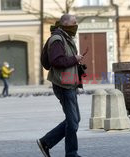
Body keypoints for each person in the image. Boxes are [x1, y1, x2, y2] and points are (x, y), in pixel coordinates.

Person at [37, 14, 83, 157]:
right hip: (63, 85)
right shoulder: (57, 39)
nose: (76, 25)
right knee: (73, 122)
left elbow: (64, 60)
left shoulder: (65, 38)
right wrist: (74, 59)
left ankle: (46, 142)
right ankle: (71, 154)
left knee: (75, 120)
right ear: (65, 23)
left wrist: (77, 62)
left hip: (69, 84)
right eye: (74, 23)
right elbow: (57, 61)